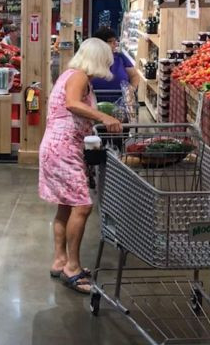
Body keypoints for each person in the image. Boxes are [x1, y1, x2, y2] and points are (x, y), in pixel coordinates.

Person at [39, 38, 122, 294]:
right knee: (83, 206)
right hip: (64, 148)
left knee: (66, 205)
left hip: (55, 146)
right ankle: (72, 267)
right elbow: (72, 104)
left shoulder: (68, 74)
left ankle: (60, 260)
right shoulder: (79, 77)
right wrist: (103, 116)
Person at [91, 27, 141, 103]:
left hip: (121, 105)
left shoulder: (121, 58)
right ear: (100, 44)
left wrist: (132, 89)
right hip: (94, 103)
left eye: (115, 41)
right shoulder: (89, 60)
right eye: (110, 41)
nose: (114, 44)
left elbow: (134, 76)